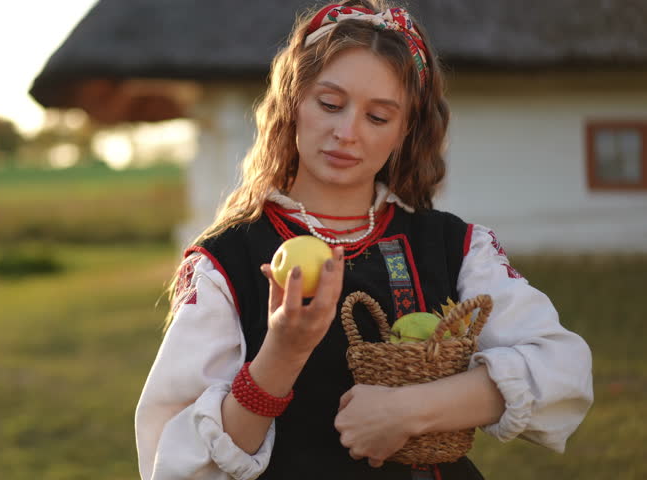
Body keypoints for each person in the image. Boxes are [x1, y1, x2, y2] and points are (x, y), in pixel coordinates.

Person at [135, 1, 594, 479]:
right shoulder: (225, 260)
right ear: (293, 102)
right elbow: (177, 461)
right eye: (330, 104)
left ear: (404, 132)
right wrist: (284, 352)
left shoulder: (455, 247)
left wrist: (410, 410)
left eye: (378, 118)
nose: (346, 132)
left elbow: (563, 366)